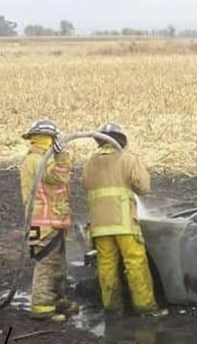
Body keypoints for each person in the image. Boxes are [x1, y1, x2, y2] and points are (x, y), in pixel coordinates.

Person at [82, 123, 164, 316]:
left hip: (100, 226)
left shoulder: (90, 162)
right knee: (135, 263)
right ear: (121, 140)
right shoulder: (128, 159)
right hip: (125, 224)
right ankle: (145, 308)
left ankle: (112, 308)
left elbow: (86, 185)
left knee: (106, 266)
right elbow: (143, 188)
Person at [19, 120, 77, 320]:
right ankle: (42, 307)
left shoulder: (39, 157)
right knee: (47, 264)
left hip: (50, 220)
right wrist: (62, 156)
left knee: (58, 263)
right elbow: (58, 177)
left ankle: (57, 299)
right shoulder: (38, 160)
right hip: (43, 222)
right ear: (49, 139)